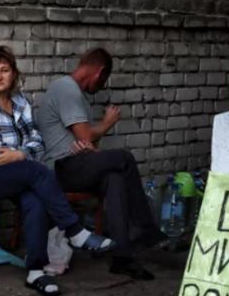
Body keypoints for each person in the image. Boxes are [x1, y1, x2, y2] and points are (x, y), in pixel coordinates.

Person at [0, 45, 115, 296]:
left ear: (13, 74)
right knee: (36, 172)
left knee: (35, 199)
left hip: (15, 172)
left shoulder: (21, 103)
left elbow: (38, 142)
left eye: (4, 70)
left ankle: (36, 271)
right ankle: (75, 231)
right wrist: (23, 154)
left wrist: (20, 153)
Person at [34, 48, 166, 281]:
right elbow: (86, 135)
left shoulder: (78, 96)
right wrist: (107, 123)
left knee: (115, 178)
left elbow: (88, 144)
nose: (102, 86)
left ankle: (122, 258)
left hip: (78, 164)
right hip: (60, 168)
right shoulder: (65, 88)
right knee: (123, 158)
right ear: (99, 72)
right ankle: (147, 230)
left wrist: (89, 144)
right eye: (103, 81)